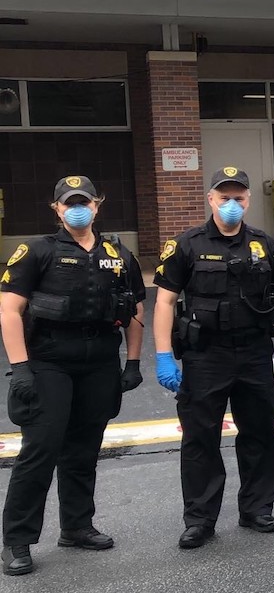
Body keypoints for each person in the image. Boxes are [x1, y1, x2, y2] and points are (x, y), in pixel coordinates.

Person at [1, 176, 146, 576]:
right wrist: (21, 368)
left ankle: (77, 526)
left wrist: (133, 362)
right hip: (49, 360)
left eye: (84, 202)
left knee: (84, 449)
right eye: (69, 203)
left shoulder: (118, 253)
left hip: (99, 360)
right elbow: (9, 310)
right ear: (57, 209)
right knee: (40, 449)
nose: (77, 209)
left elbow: (135, 308)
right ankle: (17, 539)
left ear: (97, 205)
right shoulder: (37, 251)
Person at [153, 167, 274, 549]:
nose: (231, 204)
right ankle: (200, 520)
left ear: (248, 201)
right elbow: (165, 300)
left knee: (260, 432)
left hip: (254, 352)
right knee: (200, 438)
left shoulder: (265, 244)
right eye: (224, 197)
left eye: (238, 197)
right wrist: (163, 355)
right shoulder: (187, 244)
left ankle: (257, 509)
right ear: (211, 200)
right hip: (205, 355)